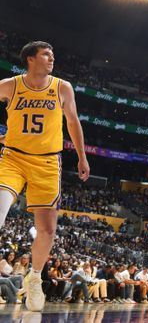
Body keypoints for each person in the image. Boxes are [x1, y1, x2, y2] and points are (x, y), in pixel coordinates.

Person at [0, 41, 90, 312]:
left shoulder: (62, 87)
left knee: (47, 230)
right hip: (13, 157)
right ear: (30, 58)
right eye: (46, 54)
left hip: (48, 162)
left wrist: (82, 157)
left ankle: (35, 276)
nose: (52, 58)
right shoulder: (10, 85)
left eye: (52, 53)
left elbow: (72, 121)